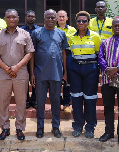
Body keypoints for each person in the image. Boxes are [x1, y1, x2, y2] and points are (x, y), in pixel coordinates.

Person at [0, 9, 35, 141]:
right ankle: (5, 128)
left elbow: (30, 53)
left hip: (20, 73)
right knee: (3, 101)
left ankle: (20, 128)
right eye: (8, 17)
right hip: (2, 73)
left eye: (14, 17)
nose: (11, 19)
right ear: (4, 18)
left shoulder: (25, 34)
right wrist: (6, 67)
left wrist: (17, 67)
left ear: (18, 18)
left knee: (21, 102)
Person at [30, 9, 68, 138]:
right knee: (40, 102)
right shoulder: (36, 33)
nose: (51, 20)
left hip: (57, 74)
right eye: (48, 17)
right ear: (44, 18)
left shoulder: (61, 33)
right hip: (40, 74)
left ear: (57, 19)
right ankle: (40, 127)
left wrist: (65, 72)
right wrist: (32, 74)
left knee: (56, 102)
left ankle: (55, 127)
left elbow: (63, 53)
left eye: (53, 18)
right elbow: (32, 54)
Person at [67, 11, 101, 139]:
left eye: (84, 21)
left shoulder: (95, 36)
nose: (81, 23)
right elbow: (69, 54)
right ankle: (77, 125)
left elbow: (98, 54)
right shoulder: (71, 37)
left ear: (88, 22)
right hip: (75, 69)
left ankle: (90, 127)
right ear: (76, 23)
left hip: (90, 69)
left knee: (90, 98)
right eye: (79, 21)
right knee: (76, 98)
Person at [57, 10, 77, 114]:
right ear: (57, 18)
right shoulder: (53, 29)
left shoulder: (73, 30)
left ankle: (66, 103)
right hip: (56, 57)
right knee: (56, 80)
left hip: (68, 56)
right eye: (59, 16)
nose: (61, 18)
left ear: (67, 18)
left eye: (63, 16)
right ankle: (58, 102)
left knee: (67, 80)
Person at [21, 10, 40, 109]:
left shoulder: (39, 30)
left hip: (37, 59)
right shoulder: (20, 30)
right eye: (28, 16)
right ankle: (26, 100)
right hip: (24, 58)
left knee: (35, 79)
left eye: (32, 16)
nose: (30, 18)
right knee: (24, 80)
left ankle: (35, 100)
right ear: (25, 17)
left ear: (35, 18)